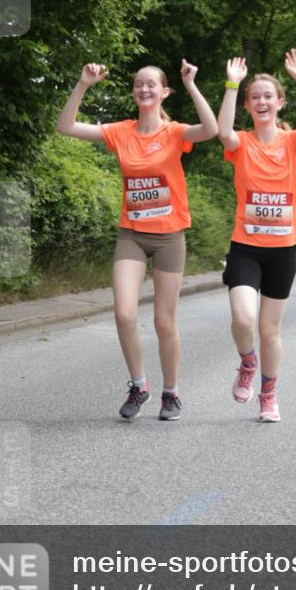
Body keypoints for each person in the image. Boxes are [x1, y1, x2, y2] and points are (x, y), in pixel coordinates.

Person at [56, 59, 218, 421]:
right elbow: (65, 126)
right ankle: (139, 384)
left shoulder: (175, 132)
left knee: (164, 321)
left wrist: (191, 85)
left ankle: (171, 393)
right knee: (124, 311)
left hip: (169, 236)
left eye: (151, 85)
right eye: (138, 84)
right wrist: (83, 84)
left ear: (164, 92)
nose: (144, 89)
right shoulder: (122, 132)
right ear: (134, 92)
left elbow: (211, 129)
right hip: (132, 233)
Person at [218, 49, 296, 422]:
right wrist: (232, 85)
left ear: (280, 103)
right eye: (256, 97)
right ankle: (247, 363)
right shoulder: (241, 143)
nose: (262, 101)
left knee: (269, 330)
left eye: (268, 96)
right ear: (249, 106)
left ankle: (269, 395)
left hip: (282, 250)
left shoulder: (293, 143)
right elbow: (221, 131)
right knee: (242, 318)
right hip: (246, 247)